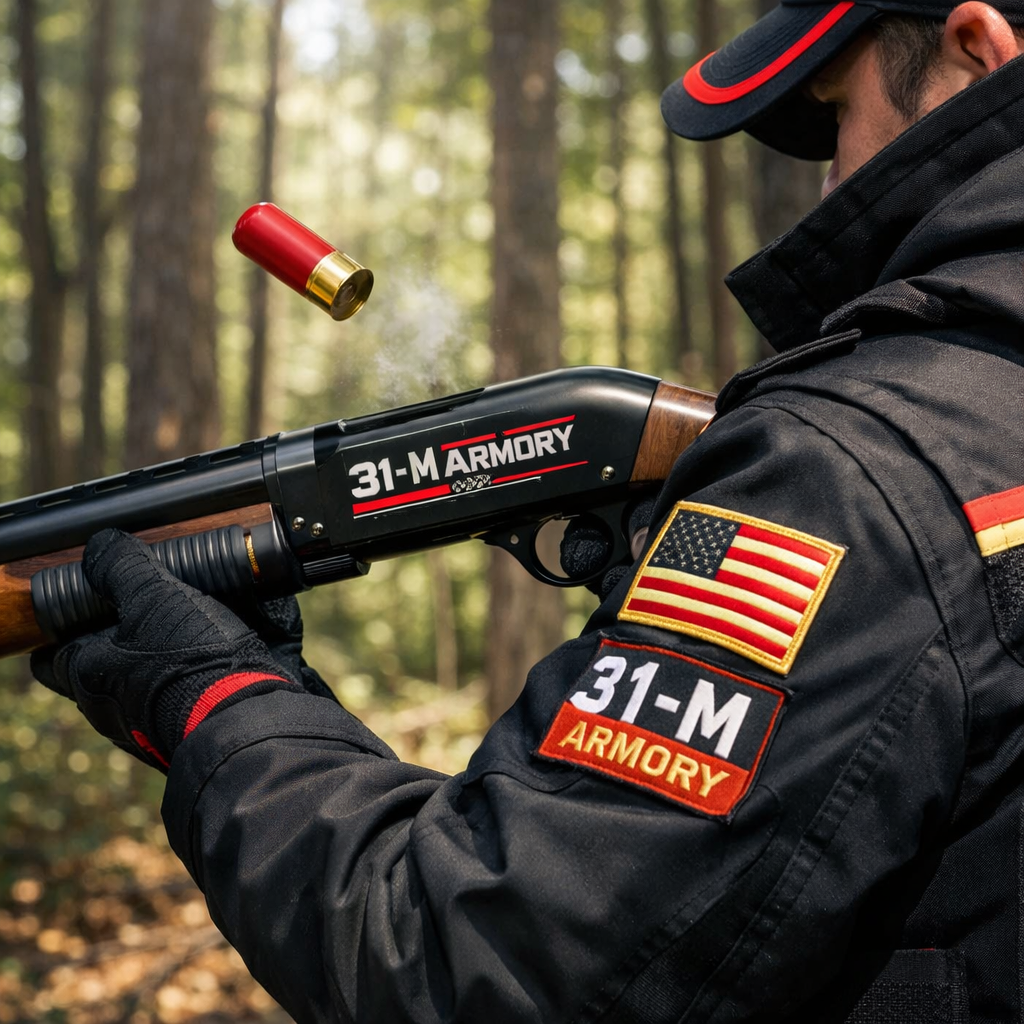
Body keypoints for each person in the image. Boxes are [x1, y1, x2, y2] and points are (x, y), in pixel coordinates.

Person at [32, 0, 1024, 1020]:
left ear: (976, 53)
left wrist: (219, 706)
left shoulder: (849, 472)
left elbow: (462, 964)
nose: (829, 179)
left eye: (838, 114)